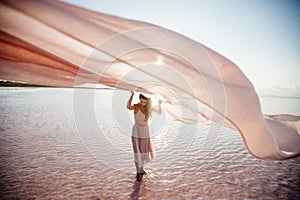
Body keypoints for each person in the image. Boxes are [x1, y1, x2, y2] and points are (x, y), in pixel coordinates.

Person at [127, 91, 162, 181]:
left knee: (143, 150)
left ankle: (141, 170)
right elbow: (128, 106)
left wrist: (159, 103)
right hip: (137, 130)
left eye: (145, 102)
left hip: (145, 131)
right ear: (139, 100)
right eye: (142, 101)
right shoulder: (137, 106)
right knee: (137, 151)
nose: (143, 104)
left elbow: (158, 112)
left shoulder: (148, 108)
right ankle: (138, 172)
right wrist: (132, 95)